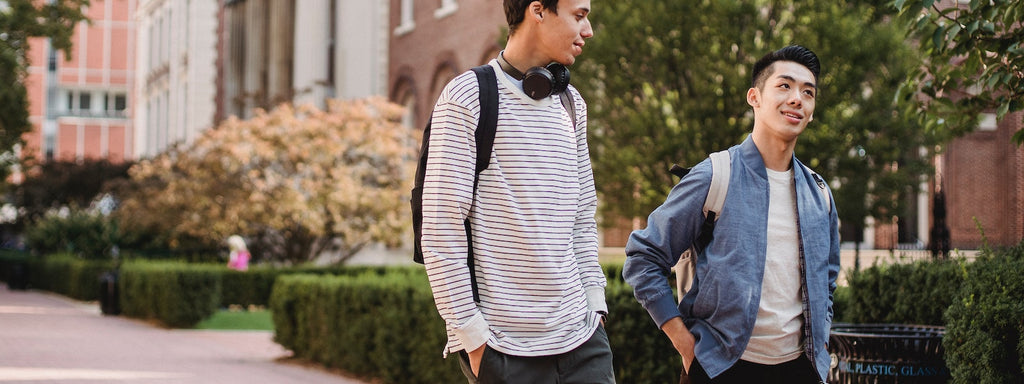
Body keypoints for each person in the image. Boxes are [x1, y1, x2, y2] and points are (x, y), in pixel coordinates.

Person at [419, 1, 614, 383]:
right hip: (503, 351)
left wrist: (595, 303)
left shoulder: (571, 103)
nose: (588, 31)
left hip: (583, 341)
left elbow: (582, 216)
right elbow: (441, 230)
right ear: (538, 10)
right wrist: (474, 341)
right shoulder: (467, 97)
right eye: (579, 15)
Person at [622, 45, 839, 384]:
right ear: (754, 97)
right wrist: (686, 344)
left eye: (807, 92)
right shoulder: (715, 175)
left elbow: (828, 279)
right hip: (721, 367)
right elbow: (643, 257)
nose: (797, 98)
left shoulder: (820, 193)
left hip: (801, 370)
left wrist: (821, 347)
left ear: (811, 111)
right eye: (784, 86)